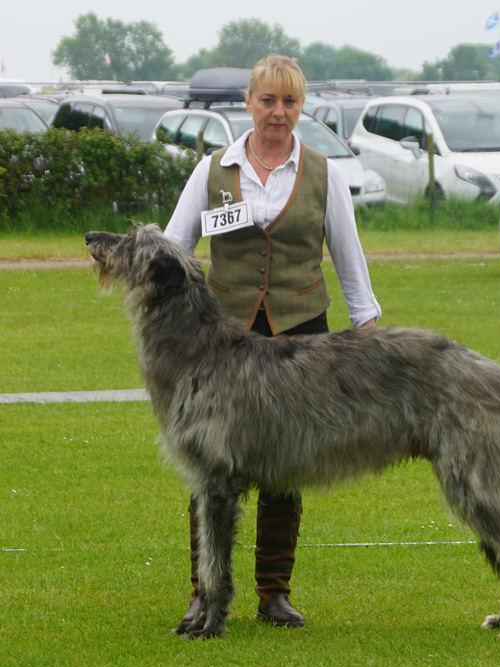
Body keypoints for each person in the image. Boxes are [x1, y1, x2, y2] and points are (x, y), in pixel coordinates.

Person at [165, 54, 381, 632]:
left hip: (300, 335)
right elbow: (172, 249)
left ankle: (273, 592)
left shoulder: (323, 172)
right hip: (219, 343)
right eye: (268, 101)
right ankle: (203, 592)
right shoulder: (213, 170)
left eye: (289, 102)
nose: (278, 113)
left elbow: (348, 255)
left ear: (300, 107)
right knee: (212, 470)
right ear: (248, 103)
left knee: (286, 467)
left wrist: (366, 326)